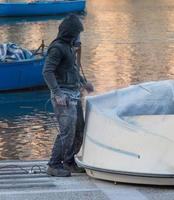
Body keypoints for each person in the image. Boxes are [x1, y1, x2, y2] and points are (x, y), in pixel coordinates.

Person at [43, 14, 94, 177]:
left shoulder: (70, 47)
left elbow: (72, 70)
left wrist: (83, 82)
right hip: (63, 95)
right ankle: (54, 164)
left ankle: (69, 162)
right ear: (71, 32)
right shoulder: (57, 48)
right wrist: (57, 94)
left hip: (74, 94)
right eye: (78, 32)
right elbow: (47, 71)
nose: (79, 36)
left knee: (79, 128)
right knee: (67, 130)